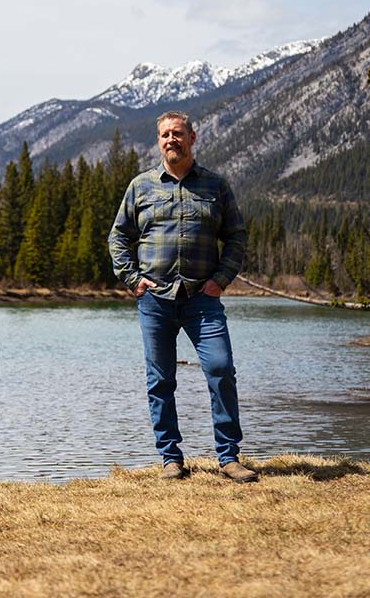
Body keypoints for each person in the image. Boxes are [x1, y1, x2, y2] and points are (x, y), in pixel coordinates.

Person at [108, 111, 258, 482]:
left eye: (177, 133)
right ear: (158, 141)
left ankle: (229, 457)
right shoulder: (141, 186)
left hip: (202, 298)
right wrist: (133, 279)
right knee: (160, 379)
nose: (171, 139)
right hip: (155, 299)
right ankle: (171, 459)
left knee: (221, 368)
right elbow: (118, 238)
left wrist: (220, 280)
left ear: (193, 137)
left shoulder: (215, 186)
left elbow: (236, 236)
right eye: (164, 135)